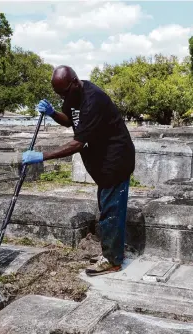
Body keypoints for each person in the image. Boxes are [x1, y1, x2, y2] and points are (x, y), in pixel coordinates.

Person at [22, 65, 135, 276]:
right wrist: (52, 113)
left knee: (111, 211)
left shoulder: (94, 100)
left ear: (74, 81)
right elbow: (69, 121)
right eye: (59, 95)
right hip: (103, 163)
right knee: (107, 206)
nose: (63, 97)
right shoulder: (73, 94)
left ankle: (112, 260)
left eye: (64, 93)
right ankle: (111, 252)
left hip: (116, 160)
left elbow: (77, 143)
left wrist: (42, 156)